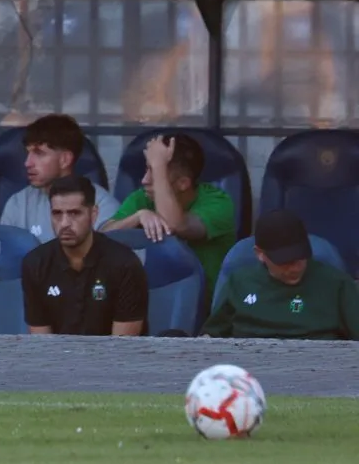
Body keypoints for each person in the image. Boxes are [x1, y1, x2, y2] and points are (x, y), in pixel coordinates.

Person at [102, 133, 235, 303]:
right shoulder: (141, 199)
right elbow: (103, 236)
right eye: (147, 169)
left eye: (154, 173)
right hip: (153, 299)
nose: (144, 180)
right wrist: (137, 217)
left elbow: (175, 226)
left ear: (183, 183)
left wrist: (159, 165)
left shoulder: (218, 202)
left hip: (206, 307)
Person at [201, 209, 359, 340]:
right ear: (260, 254)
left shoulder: (336, 283)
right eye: (285, 261)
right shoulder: (239, 282)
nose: (295, 268)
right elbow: (212, 336)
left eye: (300, 258)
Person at [21, 175, 149, 336]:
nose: (65, 223)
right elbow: (41, 343)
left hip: (110, 359)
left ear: (93, 214)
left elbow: (122, 349)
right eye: (57, 214)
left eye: (74, 213)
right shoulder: (35, 263)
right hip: (57, 359)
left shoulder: (125, 264)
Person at [0, 114, 120, 243]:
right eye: (28, 153)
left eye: (39, 153)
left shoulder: (100, 203)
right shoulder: (17, 203)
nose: (28, 163)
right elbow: (5, 258)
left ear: (65, 160)